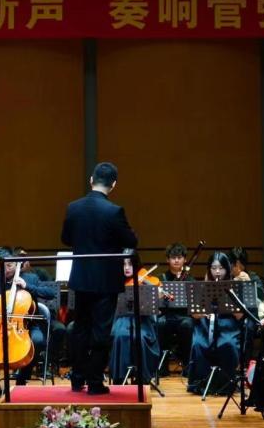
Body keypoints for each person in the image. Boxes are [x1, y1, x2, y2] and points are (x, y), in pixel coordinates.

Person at [60, 162, 138, 394]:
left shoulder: (73, 207)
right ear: (113, 184)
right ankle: (95, 383)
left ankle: (77, 379)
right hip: (105, 281)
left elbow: (65, 239)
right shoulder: (114, 211)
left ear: (91, 180)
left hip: (81, 279)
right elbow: (131, 242)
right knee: (101, 331)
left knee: (80, 328)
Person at [0, 247, 58, 396]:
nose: (7, 269)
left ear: (16, 262)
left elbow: (51, 293)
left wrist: (28, 286)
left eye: (10, 265)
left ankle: (22, 380)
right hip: (0, 328)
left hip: (27, 326)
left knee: (38, 341)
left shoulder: (30, 278)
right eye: (2, 266)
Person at [186, 252, 244, 394]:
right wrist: (201, 313)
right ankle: (201, 383)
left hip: (228, 325)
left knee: (228, 344)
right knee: (199, 344)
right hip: (205, 324)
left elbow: (240, 316)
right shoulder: (202, 287)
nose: (217, 272)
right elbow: (194, 313)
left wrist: (229, 302)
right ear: (209, 269)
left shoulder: (235, 286)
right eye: (213, 268)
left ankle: (226, 384)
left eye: (221, 268)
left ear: (227, 269)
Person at [109, 251, 161, 385]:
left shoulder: (145, 280)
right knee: (120, 336)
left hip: (142, 320)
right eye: (124, 264)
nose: (127, 268)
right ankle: (120, 378)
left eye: (130, 264)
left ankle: (142, 377)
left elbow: (158, 295)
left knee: (140, 337)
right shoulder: (115, 282)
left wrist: (154, 292)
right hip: (121, 319)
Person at [156, 242, 193, 369]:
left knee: (187, 325)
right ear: (168, 259)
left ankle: (187, 365)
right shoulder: (161, 278)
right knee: (159, 324)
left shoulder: (190, 280)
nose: (176, 260)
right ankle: (162, 367)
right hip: (166, 315)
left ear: (185, 259)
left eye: (179, 257)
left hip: (183, 316)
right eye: (173, 257)